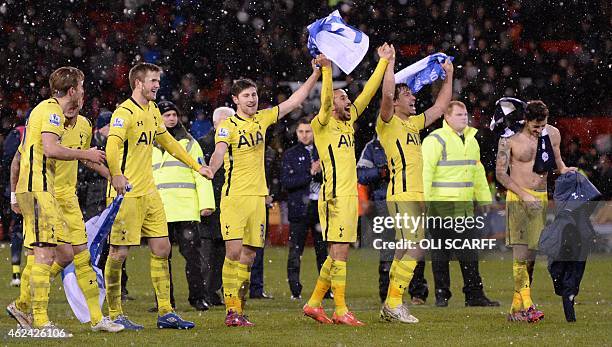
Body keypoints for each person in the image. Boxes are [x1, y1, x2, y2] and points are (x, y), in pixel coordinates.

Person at [203, 58, 321, 327]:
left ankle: (239, 310)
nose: (252, 99)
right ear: (235, 99)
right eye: (246, 96)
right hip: (235, 198)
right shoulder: (227, 126)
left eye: (254, 94)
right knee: (233, 254)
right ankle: (231, 312)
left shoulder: (262, 118)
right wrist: (210, 168)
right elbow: (219, 152)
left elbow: (294, 100)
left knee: (250, 256)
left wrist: (315, 74)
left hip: (258, 198)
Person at [104, 62, 210, 330]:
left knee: (162, 250)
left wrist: (198, 166)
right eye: (153, 81)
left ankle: (166, 311)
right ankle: (115, 313)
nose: (157, 85)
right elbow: (113, 144)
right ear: (139, 83)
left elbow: (170, 144)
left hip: (150, 194)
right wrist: (116, 174)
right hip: (126, 194)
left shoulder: (152, 111)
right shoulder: (123, 112)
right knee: (118, 253)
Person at [6, 67, 106, 331]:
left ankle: (26, 307)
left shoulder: (48, 112)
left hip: (42, 189)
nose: (83, 92)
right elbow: (49, 149)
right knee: (43, 254)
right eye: (81, 87)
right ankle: (39, 320)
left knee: (63, 253)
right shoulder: (51, 111)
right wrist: (85, 154)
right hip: (38, 188)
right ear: (72, 91)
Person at [302, 45, 392, 326]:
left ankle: (315, 304)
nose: (348, 99)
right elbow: (327, 100)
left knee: (338, 253)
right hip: (334, 196)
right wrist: (327, 71)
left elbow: (368, 94)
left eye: (347, 96)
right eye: (343, 97)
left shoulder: (348, 123)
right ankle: (340, 310)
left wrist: (383, 62)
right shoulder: (322, 123)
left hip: (348, 194)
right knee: (339, 252)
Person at [374, 46, 453, 323]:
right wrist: (390, 64)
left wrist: (449, 77)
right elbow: (386, 93)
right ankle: (394, 302)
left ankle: (390, 304)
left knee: (402, 249)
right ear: (395, 102)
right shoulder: (387, 122)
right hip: (402, 192)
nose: (413, 97)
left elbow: (441, 107)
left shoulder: (413, 124)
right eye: (407, 94)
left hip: (414, 194)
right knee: (417, 247)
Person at [495, 100, 576, 322]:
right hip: (519, 197)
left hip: (540, 198)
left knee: (530, 256)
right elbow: (501, 174)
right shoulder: (509, 138)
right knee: (520, 254)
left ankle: (516, 308)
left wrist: (565, 170)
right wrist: (524, 195)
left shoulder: (554, 133)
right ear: (525, 120)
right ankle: (529, 306)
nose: (539, 131)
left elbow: (557, 158)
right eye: (535, 127)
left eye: (543, 125)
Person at [421, 101, 499, 308]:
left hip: (464, 207)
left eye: (465, 114)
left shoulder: (471, 140)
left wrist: (483, 199)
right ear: (446, 118)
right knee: (441, 253)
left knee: (469, 253)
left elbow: (477, 171)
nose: (464, 118)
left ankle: (473, 295)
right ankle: (442, 295)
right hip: (440, 205)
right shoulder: (435, 140)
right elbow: (425, 173)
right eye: (458, 115)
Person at [152, 100, 215, 311]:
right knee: (160, 258)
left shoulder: (190, 143)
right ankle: (164, 302)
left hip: (184, 208)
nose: (171, 118)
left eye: (173, 114)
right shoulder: (148, 144)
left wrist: (206, 204)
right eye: (166, 115)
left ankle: (198, 298)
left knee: (193, 258)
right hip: (159, 209)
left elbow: (201, 173)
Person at [357, 136, 429, 305]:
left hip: (409, 201)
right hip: (384, 205)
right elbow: (360, 174)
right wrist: (381, 172)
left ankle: (417, 293)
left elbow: (421, 169)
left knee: (414, 246)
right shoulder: (372, 147)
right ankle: (388, 294)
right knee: (389, 250)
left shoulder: (408, 142)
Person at [81, 111, 132, 302]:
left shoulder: (117, 145)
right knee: (96, 243)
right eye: (108, 126)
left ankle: (120, 287)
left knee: (117, 242)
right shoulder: (92, 147)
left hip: (112, 196)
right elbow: (83, 172)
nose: (112, 130)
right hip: (94, 200)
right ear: (100, 128)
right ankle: (92, 284)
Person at [281, 118, 328, 300]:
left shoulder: (323, 151)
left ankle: (326, 289)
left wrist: (321, 171)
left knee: (323, 251)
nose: (304, 135)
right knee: (295, 252)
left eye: (308, 131)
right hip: (299, 209)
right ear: (296, 133)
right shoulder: (290, 154)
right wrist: (309, 173)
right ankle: (295, 290)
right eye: (301, 132)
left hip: (320, 208)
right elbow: (287, 182)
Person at [199, 106, 235, 306]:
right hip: (210, 204)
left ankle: (214, 291)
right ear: (215, 123)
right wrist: (204, 202)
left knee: (222, 251)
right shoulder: (204, 144)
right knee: (206, 251)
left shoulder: (235, 143)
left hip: (228, 202)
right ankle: (203, 292)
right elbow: (200, 176)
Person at [2, 118, 25, 287]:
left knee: (18, 229)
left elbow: (8, 161)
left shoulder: (17, 134)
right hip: (35, 189)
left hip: (18, 188)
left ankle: (17, 274)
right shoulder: (43, 132)